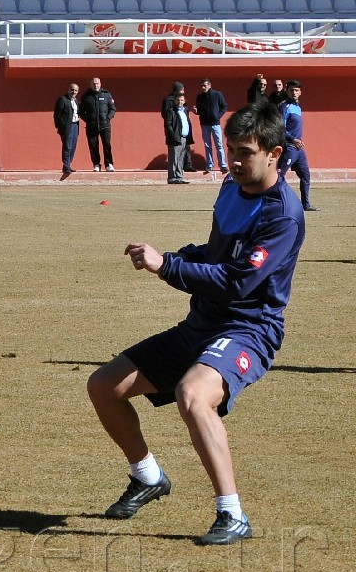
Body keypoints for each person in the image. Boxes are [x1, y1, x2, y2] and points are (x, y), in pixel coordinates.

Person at [87, 101, 305, 546]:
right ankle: (147, 476)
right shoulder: (230, 186)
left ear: (274, 154)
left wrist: (166, 267)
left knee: (192, 394)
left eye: (245, 152)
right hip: (202, 324)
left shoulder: (282, 214)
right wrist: (180, 256)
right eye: (231, 151)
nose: (235, 161)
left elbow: (237, 282)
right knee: (104, 386)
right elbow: (216, 253)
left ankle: (233, 514)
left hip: (248, 330)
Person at [278, 79, 318, 213]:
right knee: (279, 176)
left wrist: (297, 141)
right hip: (289, 146)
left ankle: (305, 204)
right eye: (291, 90)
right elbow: (281, 127)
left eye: (296, 90)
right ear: (287, 91)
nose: (294, 93)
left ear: (300, 92)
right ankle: (273, 202)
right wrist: (292, 139)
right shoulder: (284, 107)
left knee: (305, 175)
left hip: (299, 149)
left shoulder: (298, 108)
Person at [79, 76, 116, 172]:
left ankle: (109, 164)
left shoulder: (106, 95)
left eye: (97, 83)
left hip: (105, 125)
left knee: (107, 145)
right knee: (93, 146)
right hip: (91, 126)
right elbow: (81, 111)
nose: (96, 85)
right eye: (94, 83)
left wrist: (108, 118)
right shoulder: (86, 96)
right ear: (91, 84)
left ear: (100, 84)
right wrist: (88, 120)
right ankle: (96, 164)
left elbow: (112, 109)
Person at [194, 78, 229, 175]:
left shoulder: (217, 95)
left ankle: (223, 165)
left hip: (215, 124)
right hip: (205, 124)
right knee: (207, 145)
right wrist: (196, 111)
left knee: (219, 145)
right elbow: (199, 110)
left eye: (205, 85)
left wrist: (218, 115)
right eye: (202, 86)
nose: (203, 87)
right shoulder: (200, 97)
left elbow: (224, 106)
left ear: (209, 85)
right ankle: (209, 165)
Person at [162, 87, 193, 184]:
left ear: (184, 101)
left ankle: (179, 176)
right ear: (175, 101)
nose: (180, 101)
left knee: (181, 158)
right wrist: (173, 136)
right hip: (175, 137)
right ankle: (172, 177)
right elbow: (168, 124)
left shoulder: (185, 111)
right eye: (178, 100)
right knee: (174, 158)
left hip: (184, 137)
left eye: (182, 100)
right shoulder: (171, 111)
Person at [54, 82, 80, 175]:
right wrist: (60, 126)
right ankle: (65, 166)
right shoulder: (62, 99)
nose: (74, 92)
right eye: (72, 90)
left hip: (75, 125)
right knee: (67, 146)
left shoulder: (76, 101)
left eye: (76, 90)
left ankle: (68, 165)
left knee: (73, 146)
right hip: (67, 127)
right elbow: (57, 115)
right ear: (68, 89)